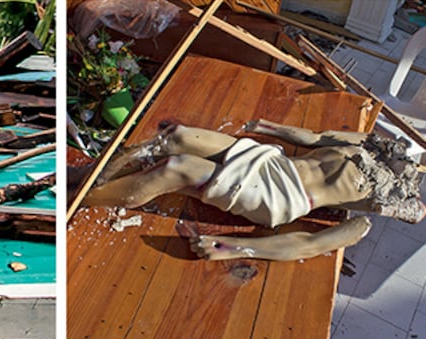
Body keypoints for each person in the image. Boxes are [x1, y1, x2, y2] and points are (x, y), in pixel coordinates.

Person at [84, 120, 426, 261]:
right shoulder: (375, 145)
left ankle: (83, 198)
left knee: (177, 169)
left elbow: (312, 243)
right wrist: (267, 127)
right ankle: (93, 175)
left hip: (281, 195)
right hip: (274, 162)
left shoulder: (389, 201)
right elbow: (315, 138)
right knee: (176, 137)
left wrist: (235, 247)